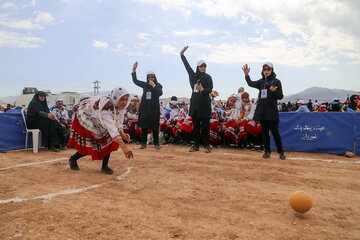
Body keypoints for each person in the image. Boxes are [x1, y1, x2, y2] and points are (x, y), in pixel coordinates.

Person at [68, 87, 134, 175]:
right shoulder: (105, 108)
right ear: (115, 98)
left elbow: (119, 118)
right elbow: (112, 129)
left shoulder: (119, 106)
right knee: (91, 144)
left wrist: (122, 132)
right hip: (89, 117)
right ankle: (73, 159)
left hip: (100, 120)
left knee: (108, 142)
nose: (125, 102)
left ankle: (105, 166)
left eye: (126, 99)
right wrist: (124, 147)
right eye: (122, 99)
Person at [242, 62, 286, 160]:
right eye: (264, 69)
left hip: (272, 112)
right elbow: (250, 83)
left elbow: (280, 96)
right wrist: (246, 75)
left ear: (272, 70)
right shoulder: (261, 82)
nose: (266, 71)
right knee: (264, 133)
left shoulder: (276, 81)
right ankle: (267, 151)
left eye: (268, 69)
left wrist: (275, 91)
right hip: (262, 111)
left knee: (275, 133)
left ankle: (281, 152)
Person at [180, 46, 213, 153]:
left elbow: (210, 89)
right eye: (201, 66)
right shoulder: (193, 76)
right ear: (198, 67)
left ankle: (207, 145)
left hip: (204, 104)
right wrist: (182, 55)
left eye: (205, 66)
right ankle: (196, 145)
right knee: (196, 126)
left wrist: (203, 89)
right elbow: (187, 66)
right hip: (195, 104)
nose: (203, 68)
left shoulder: (208, 77)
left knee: (206, 127)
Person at [131, 62, 163, 149]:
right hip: (145, 109)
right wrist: (134, 71)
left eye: (152, 76)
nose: (150, 78)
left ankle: (156, 144)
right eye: (149, 77)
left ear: (154, 77)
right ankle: (143, 143)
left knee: (155, 127)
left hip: (154, 110)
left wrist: (154, 85)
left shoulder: (158, 85)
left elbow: (159, 93)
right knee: (144, 127)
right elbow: (135, 81)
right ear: (147, 77)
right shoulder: (145, 85)